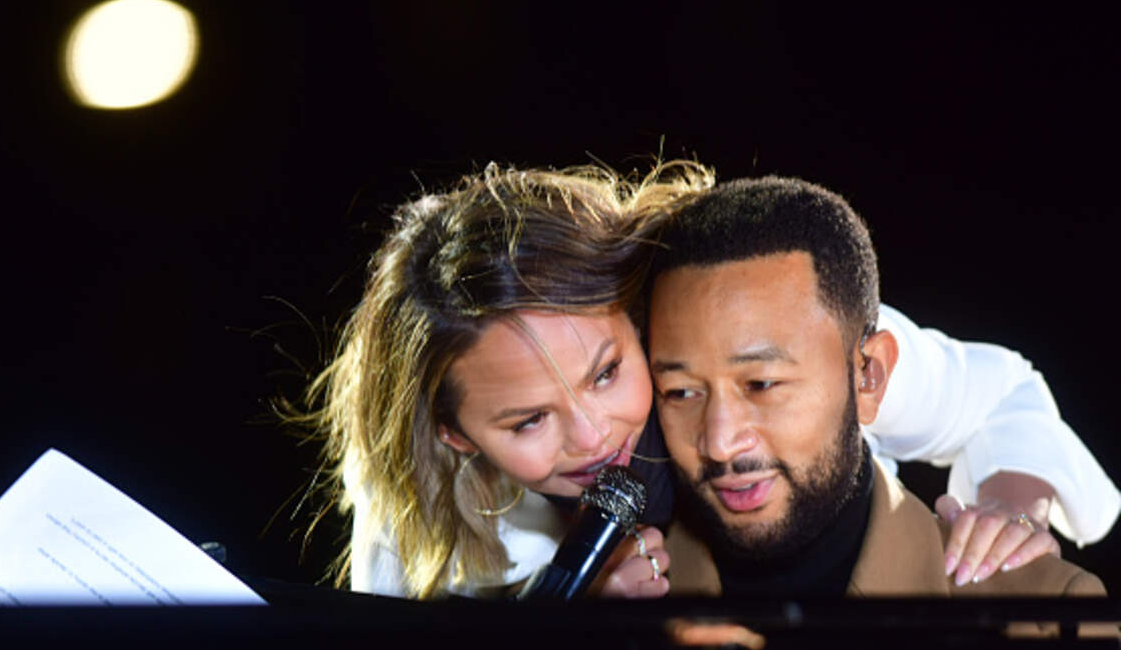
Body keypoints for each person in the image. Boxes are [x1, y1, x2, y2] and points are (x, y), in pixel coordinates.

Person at [288, 161, 1118, 599]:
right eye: (528, 420)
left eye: (609, 372)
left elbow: (1002, 393)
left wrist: (1012, 511)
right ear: (455, 434)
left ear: (638, 313)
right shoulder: (414, 510)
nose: (594, 435)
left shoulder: (745, 333)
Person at [643, 175, 1108, 604]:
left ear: (869, 375)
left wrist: (1011, 515)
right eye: (680, 392)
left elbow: (1003, 393)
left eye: (762, 384)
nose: (720, 443)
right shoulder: (640, 379)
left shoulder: (835, 343)